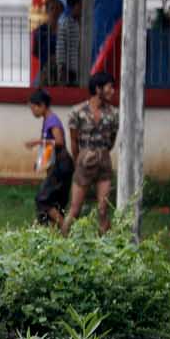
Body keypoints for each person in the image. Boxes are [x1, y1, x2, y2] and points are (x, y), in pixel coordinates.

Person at [62, 72, 120, 235]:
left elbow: (112, 140)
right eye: (110, 87)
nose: (113, 91)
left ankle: (106, 248)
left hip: (104, 162)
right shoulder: (78, 112)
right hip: (84, 161)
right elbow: (73, 141)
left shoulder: (114, 114)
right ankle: (61, 242)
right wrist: (78, 160)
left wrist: (102, 153)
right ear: (98, 88)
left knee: (103, 209)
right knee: (75, 209)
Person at [27, 89, 73, 226]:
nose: (32, 111)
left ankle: (64, 228)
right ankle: (56, 234)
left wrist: (37, 142)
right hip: (58, 165)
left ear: (41, 105)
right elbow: (50, 147)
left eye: (33, 107)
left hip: (62, 165)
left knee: (43, 200)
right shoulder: (48, 120)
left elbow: (59, 142)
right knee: (55, 202)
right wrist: (41, 163)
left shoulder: (52, 120)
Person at [55, 0, 84, 86]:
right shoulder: (66, 24)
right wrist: (61, 66)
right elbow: (61, 46)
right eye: (80, 5)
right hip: (69, 68)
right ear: (73, 7)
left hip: (81, 67)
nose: (83, 8)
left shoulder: (84, 24)